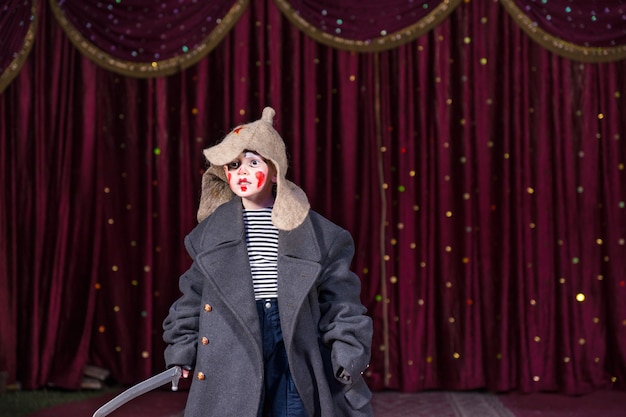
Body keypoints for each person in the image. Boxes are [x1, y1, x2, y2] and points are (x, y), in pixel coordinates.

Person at [162, 107, 374, 417]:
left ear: (275, 171)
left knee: (292, 406)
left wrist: (349, 349)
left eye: (253, 162)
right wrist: (181, 350)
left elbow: (341, 301)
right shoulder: (210, 235)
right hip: (234, 337)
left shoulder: (318, 234)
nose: (243, 171)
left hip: (291, 338)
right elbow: (193, 299)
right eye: (234, 165)